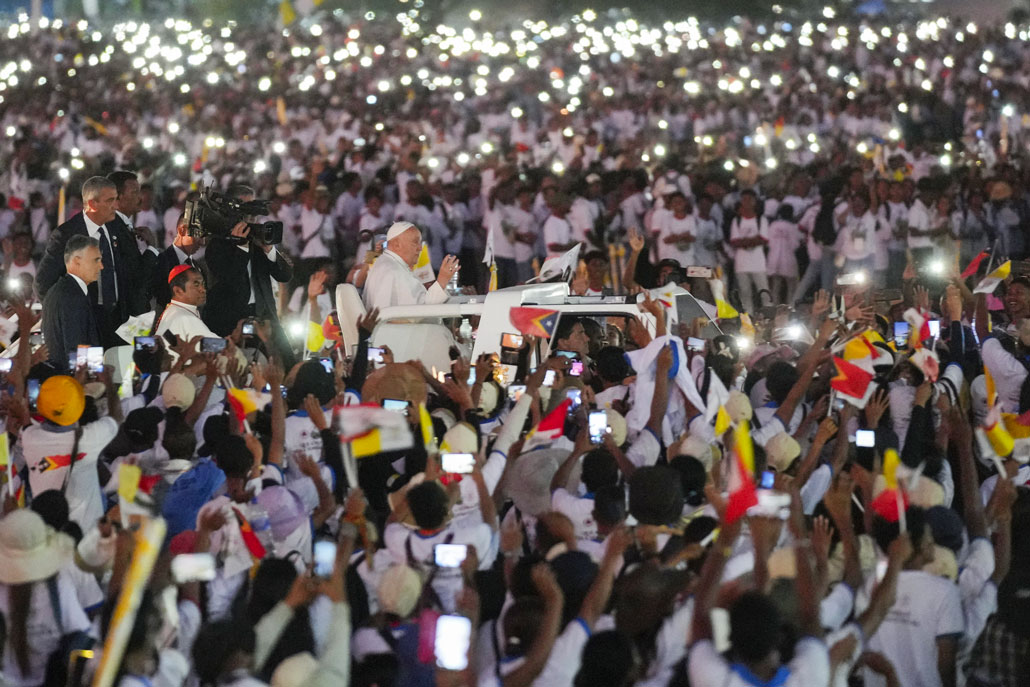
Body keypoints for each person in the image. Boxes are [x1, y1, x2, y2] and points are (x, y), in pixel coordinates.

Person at [36, 176, 156, 347]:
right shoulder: (67, 234)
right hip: (86, 327)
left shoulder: (116, 227)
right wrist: (68, 317)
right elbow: (43, 283)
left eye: (115, 199)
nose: (116, 205)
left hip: (119, 322)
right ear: (92, 204)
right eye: (110, 201)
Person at [202, 221, 294, 366]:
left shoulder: (258, 244)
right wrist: (241, 246)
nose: (250, 222)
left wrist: (268, 249)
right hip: (231, 319)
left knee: (288, 364)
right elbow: (231, 277)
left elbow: (285, 275)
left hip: (265, 315)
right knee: (234, 367)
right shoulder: (217, 245)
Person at [361, 221, 459, 311]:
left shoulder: (386, 263)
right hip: (400, 329)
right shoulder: (394, 270)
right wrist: (442, 280)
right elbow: (421, 311)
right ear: (397, 244)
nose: (420, 248)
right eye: (415, 242)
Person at [41, 234, 102, 371]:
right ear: (77, 261)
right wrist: (93, 377)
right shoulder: (73, 296)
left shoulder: (56, 291)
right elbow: (76, 350)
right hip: (74, 383)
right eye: (96, 260)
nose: (101, 266)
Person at [152, 212, 203, 311]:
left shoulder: (197, 267)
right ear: (182, 230)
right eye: (198, 235)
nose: (203, 242)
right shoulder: (161, 263)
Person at [156, 265, 220, 342]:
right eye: (196, 285)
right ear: (178, 291)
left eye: (203, 284)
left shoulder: (174, 310)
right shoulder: (184, 318)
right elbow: (216, 346)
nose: (203, 290)